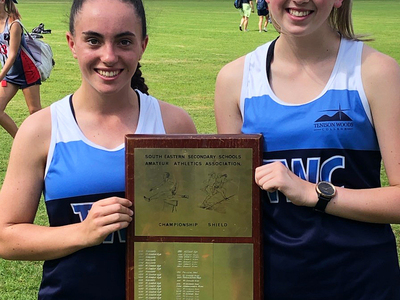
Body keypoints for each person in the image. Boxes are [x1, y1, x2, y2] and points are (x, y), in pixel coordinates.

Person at [0, 0, 196, 299]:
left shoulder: (174, 123)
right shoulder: (41, 130)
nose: (109, 56)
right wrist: (82, 232)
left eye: (124, 41)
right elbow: (6, 236)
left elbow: (201, 224)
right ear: (72, 43)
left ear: (142, 45)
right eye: (93, 40)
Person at [215, 0, 400, 298]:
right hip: (270, 283)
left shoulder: (376, 72)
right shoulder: (235, 80)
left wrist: (312, 193)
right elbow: (236, 205)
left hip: (362, 283)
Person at [0, 0, 41, 138]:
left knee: (35, 113)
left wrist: (0, 76)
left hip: (27, 71)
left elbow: (12, 55)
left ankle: (50, 142)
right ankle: (20, 141)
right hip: (10, 74)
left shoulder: (14, 24)